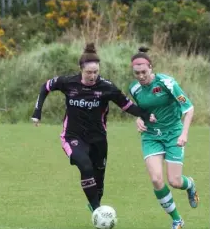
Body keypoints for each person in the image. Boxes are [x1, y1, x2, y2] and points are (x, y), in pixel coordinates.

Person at [31, 43, 156, 216]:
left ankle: (95, 202)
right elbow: (45, 87)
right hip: (72, 136)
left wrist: (145, 114)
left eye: (96, 72)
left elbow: (126, 106)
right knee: (85, 166)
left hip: (98, 139)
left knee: (98, 181)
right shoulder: (68, 82)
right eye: (89, 72)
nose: (93, 76)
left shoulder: (107, 87)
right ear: (81, 69)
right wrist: (37, 112)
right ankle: (97, 211)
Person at [128, 47, 199, 229]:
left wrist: (184, 134)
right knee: (156, 179)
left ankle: (189, 184)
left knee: (175, 181)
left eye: (144, 72)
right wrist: (139, 119)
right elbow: (141, 110)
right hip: (151, 136)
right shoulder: (134, 88)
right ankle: (177, 219)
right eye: (137, 73)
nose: (141, 76)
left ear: (151, 68)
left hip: (174, 133)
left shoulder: (167, 82)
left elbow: (189, 108)